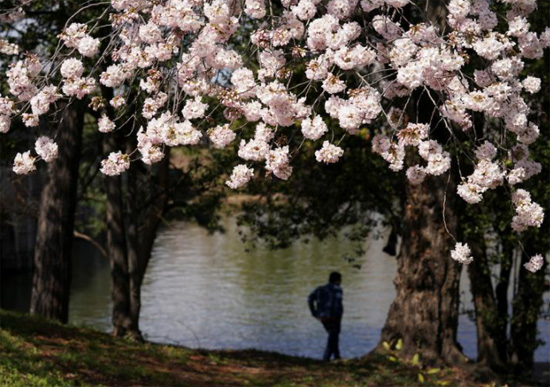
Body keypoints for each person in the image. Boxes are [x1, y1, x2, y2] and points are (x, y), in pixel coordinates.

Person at [308, 271, 343, 361]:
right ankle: (326, 359)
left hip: (323, 317)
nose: (340, 282)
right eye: (340, 280)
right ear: (336, 281)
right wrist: (338, 317)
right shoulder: (337, 290)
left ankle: (337, 357)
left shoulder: (320, 289)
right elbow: (337, 305)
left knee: (333, 337)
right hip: (333, 318)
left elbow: (310, 298)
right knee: (332, 339)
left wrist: (314, 312)